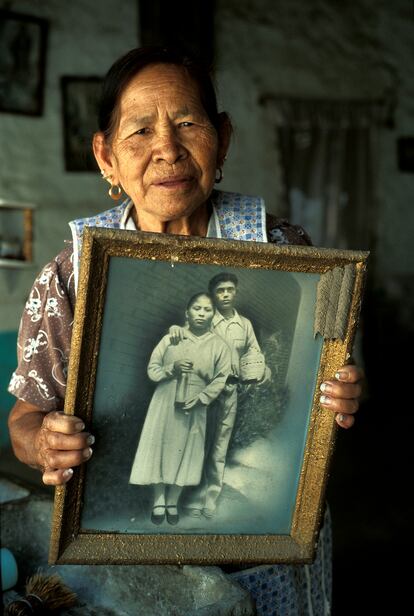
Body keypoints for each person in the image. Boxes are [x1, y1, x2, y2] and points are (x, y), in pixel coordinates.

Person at [7, 46, 363, 614]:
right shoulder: (72, 274)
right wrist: (44, 441)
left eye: (188, 123)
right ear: (105, 156)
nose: (166, 149)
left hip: (265, 546)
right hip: (129, 552)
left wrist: (336, 393)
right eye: (139, 131)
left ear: (222, 138)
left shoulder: (286, 256)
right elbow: (25, 421)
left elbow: (305, 399)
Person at [170, 272, 271, 518]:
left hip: (230, 391)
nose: (225, 294)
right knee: (197, 442)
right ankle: (185, 498)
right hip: (203, 389)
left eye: (229, 290)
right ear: (213, 294)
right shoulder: (204, 318)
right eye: (219, 290)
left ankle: (208, 501)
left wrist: (262, 369)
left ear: (235, 292)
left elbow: (253, 352)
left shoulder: (243, 324)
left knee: (219, 447)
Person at [128, 292, 231, 525]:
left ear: (213, 315)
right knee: (161, 448)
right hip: (165, 399)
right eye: (197, 308)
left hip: (195, 403)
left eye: (207, 310)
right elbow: (152, 370)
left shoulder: (219, 346)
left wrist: (203, 398)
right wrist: (170, 369)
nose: (202, 314)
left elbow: (220, 378)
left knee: (187, 451)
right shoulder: (171, 338)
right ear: (187, 312)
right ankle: (159, 500)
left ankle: (173, 500)